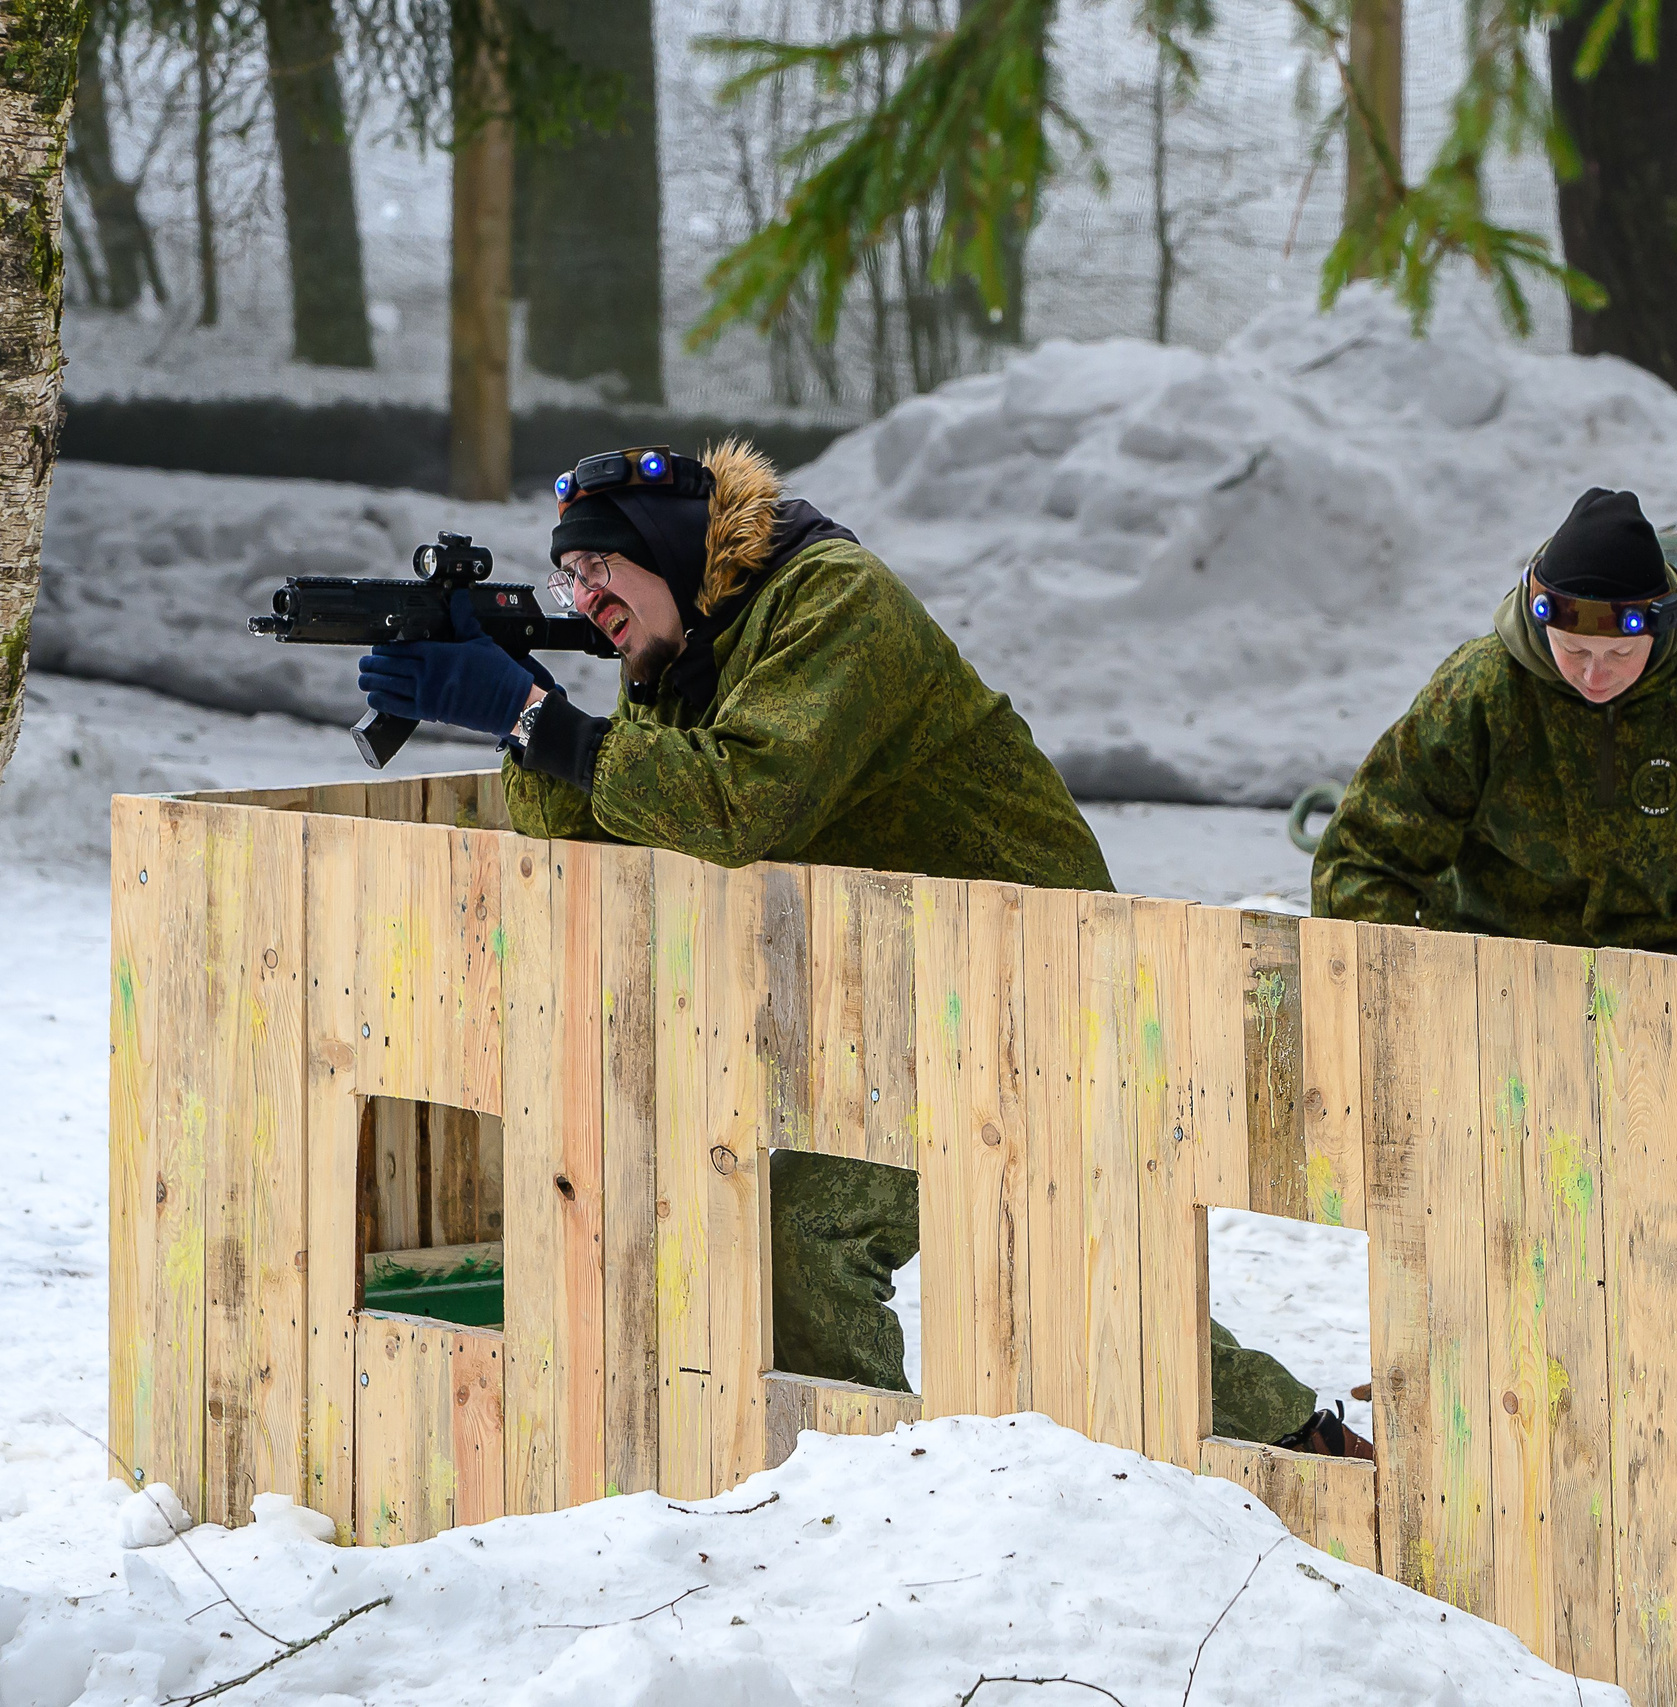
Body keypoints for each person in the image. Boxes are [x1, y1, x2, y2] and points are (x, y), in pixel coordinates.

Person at [355, 440, 1355, 1454]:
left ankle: (865, 1499)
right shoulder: (682, 648)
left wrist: (533, 714)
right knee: (1038, 1249)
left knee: (926, 1240)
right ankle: (1288, 1449)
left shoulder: (830, 601)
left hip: (1036, 974)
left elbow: (736, 805)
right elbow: (593, 821)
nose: (583, 594)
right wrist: (523, 716)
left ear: (665, 546)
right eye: (569, 577)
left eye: (599, 568)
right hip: (913, 991)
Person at [1312, 486, 1677, 963]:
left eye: (1620, 653)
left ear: (1660, 627)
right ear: (1539, 615)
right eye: (1574, 649)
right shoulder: (1480, 692)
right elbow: (1366, 853)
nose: (1595, 676)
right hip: (1505, 976)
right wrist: (1385, 978)